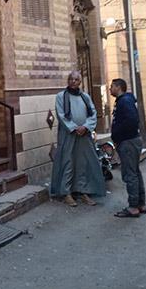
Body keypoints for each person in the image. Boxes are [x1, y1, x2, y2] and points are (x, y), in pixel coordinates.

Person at [50, 70, 105, 206]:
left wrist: (85, 127)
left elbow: (93, 113)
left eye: (76, 80)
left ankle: (83, 191)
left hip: (84, 135)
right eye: (71, 79)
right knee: (67, 162)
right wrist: (74, 128)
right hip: (68, 134)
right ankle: (66, 193)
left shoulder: (85, 97)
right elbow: (61, 115)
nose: (73, 82)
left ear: (80, 82)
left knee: (83, 163)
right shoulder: (61, 96)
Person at [110, 78, 146, 218]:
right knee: (135, 172)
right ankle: (140, 204)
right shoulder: (125, 101)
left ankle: (133, 207)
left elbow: (131, 120)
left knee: (130, 174)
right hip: (130, 140)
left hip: (128, 142)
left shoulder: (124, 101)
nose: (110, 89)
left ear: (118, 87)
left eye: (112, 86)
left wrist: (118, 135)